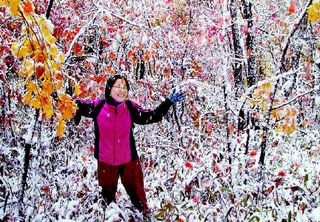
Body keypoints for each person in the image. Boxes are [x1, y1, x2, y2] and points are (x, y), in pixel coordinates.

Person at [74, 74, 185, 215]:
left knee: (138, 198)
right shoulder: (98, 107)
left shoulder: (130, 108)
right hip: (105, 163)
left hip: (129, 162)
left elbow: (151, 116)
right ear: (109, 89)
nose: (122, 90)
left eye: (125, 87)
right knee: (107, 200)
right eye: (118, 86)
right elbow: (77, 106)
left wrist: (168, 102)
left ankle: (144, 216)